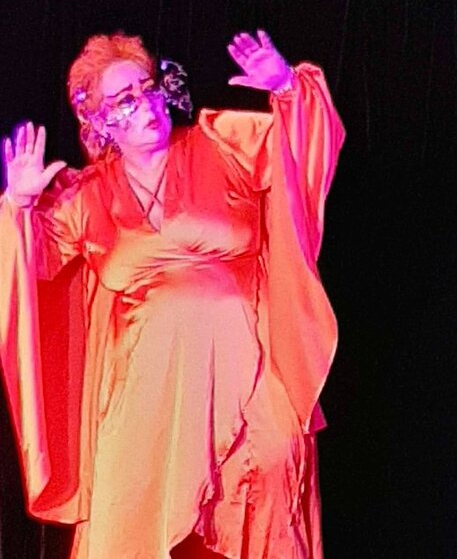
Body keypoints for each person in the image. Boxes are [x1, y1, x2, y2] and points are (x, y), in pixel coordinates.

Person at [0, 30, 344, 558]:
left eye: (149, 86)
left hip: (251, 383)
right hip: (144, 400)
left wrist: (285, 88)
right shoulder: (87, 195)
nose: (146, 104)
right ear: (99, 123)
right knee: (132, 525)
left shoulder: (220, 143)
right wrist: (19, 205)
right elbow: (27, 273)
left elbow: (302, 151)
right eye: (123, 99)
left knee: (260, 506)